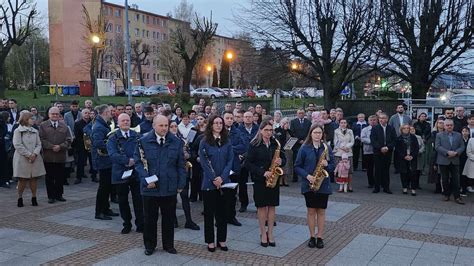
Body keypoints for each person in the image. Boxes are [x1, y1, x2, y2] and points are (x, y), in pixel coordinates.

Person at [134, 115, 187, 256]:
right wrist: (146, 179)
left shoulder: (176, 142)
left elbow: (181, 165)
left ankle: (168, 245)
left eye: (166, 126)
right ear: (154, 126)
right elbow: (139, 163)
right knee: (150, 219)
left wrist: (181, 183)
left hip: (169, 187)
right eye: (161, 126)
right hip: (150, 188)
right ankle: (150, 245)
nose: (164, 128)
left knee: (169, 218)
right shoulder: (143, 141)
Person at [245, 120, 286, 248]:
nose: (269, 133)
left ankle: (271, 233)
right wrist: (262, 172)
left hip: (273, 179)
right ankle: (263, 233)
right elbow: (248, 163)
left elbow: (284, 158)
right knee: (262, 207)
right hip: (260, 180)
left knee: (272, 206)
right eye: (266, 130)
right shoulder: (254, 144)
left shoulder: (276, 143)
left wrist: (281, 161)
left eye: (270, 130)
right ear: (261, 131)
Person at [295, 125, 335, 249]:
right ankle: (312, 236)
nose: (318, 135)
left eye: (320, 133)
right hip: (309, 184)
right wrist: (307, 176)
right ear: (310, 133)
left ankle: (320, 236)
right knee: (311, 211)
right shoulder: (304, 148)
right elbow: (297, 166)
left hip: (323, 184)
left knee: (321, 212)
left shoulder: (326, 147)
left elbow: (333, 165)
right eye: (315, 132)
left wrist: (327, 164)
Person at [199, 115, 233, 252]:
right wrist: (214, 178)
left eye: (221, 123)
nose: (219, 125)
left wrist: (222, 178)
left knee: (222, 214)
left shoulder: (227, 141)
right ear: (211, 125)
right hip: (209, 183)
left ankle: (221, 240)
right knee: (209, 214)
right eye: (216, 123)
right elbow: (204, 162)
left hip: (224, 183)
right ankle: (210, 241)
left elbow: (230, 161)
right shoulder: (204, 142)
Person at [107, 113, 144, 234]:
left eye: (127, 120)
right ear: (118, 123)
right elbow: (112, 154)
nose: (126, 122)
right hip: (120, 173)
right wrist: (127, 161)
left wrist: (135, 160)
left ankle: (140, 224)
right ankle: (126, 223)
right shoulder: (113, 138)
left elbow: (142, 151)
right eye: (123, 121)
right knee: (122, 200)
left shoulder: (137, 136)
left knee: (138, 200)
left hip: (136, 173)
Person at [168, 121, 200, 231]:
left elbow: (189, 152)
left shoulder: (182, 140)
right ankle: (173, 219)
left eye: (175, 126)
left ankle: (189, 220)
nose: (174, 128)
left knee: (185, 196)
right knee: (172, 198)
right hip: (171, 172)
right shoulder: (166, 141)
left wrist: (187, 155)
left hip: (182, 170)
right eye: (171, 126)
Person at [39, 107, 72, 203]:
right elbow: (41, 139)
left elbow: (69, 140)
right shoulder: (43, 125)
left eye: (56, 114)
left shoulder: (64, 126)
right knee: (49, 177)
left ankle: (59, 195)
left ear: (59, 115)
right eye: (53, 114)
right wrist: (52, 146)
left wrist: (60, 146)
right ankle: (51, 196)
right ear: (49, 115)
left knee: (60, 177)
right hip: (48, 156)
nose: (55, 116)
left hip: (60, 156)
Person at [92, 105, 119, 220]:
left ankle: (106, 209)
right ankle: (99, 212)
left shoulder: (103, 124)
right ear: (104, 113)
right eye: (109, 112)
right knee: (103, 187)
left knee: (107, 186)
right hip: (103, 160)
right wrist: (112, 146)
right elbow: (98, 143)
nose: (111, 114)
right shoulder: (99, 127)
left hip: (106, 160)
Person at [12, 111, 46, 207]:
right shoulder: (18, 131)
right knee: (22, 179)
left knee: (33, 179)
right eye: (32, 118)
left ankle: (34, 197)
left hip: (34, 158)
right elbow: (17, 145)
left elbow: (39, 144)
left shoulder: (35, 131)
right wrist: (28, 155)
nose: (33, 120)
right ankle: (20, 197)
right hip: (22, 158)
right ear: (26, 119)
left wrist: (35, 154)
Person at [223, 111, 246, 226]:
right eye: (227, 118)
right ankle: (221, 217)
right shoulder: (219, 132)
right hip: (222, 168)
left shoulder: (237, 132)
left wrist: (230, 148)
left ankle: (232, 217)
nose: (230, 120)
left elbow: (243, 146)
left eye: (231, 118)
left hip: (234, 166)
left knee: (232, 194)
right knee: (222, 194)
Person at [435, 119, 465, 204]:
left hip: (455, 160)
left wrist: (456, 152)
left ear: (453, 126)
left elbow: (462, 146)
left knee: (456, 179)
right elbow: (437, 147)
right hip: (444, 160)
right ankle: (446, 195)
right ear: (444, 126)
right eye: (447, 125)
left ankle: (457, 197)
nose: (449, 127)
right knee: (445, 179)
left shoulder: (458, 135)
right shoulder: (439, 135)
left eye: (451, 125)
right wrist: (447, 152)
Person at [238, 111, 259, 212]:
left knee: (256, 182)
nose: (248, 119)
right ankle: (243, 203)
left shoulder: (258, 129)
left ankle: (258, 203)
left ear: (253, 118)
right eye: (246, 117)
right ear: (243, 118)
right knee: (242, 182)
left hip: (255, 160)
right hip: (243, 160)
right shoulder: (238, 129)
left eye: (250, 117)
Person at [370, 113, 397, 194]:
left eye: (384, 118)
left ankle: (386, 187)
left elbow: (394, 140)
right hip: (378, 152)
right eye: (380, 118)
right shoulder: (375, 128)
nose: (382, 119)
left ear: (387, 119)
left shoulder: (391, 128)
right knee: (377, 169)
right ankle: (377, 187)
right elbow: (373, 140)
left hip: (388, 152)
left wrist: (388, 147)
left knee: (386, 170)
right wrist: (380, 147)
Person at [396, 124, 419, 196]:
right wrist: (404, 156)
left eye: (407, 128)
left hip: (412, 158)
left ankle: (413, 189)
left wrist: (412, 156)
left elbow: (416, 148)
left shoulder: (413, 137)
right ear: (401, 130)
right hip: (403, 158)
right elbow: (398, 150)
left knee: (413, 173)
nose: (406, 129)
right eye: (404, 128)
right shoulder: (399, 138)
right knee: (404, 173)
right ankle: (404, 187)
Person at [290, 109, 312, 182]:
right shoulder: (293, 122)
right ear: (297, 114)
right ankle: (295, 177)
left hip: (306, 144)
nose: (301, 114)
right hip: (296, 144)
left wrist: (305, 140)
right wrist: (299, 140)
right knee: (296, 160)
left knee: (306, 160)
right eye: (299, 113)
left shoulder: (308, 122)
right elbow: (292, 132)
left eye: (302, 113)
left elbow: (309, 132)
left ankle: (305, 176)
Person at [333, 119, 355, 192]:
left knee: (350, 170)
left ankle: (350, 185)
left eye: (344, 123)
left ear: (346, 124)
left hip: (348, 152)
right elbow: (335, 141)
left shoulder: (350, 131)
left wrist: (347, 147)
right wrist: (342, 147)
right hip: (339, 152)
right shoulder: (336, 131)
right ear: (339, 123)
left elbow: (352, 141)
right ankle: (341, 185)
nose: (343, 124)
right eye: (341, 123)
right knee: (340, 170)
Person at [73, 108, 90, 184]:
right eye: (85, 113)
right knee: (80, 161)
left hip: (91, 145)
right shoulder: (78, 123)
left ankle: (94, 176)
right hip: (81, 145)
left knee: (92, 161)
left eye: (88, 113)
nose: (87, 114)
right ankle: (78, 177)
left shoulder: (92, 123)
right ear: (82, 114)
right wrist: (85, 141)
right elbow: (77, 135)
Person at [427, 118, 445, 193]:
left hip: (444, 153)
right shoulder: (434, 133)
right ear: (436, 124)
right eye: (439, 122)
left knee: (443, 172)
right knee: (436, 171)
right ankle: (438, 188)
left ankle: (444, 188)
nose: (441, 124)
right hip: (435, 153)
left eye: (442, 123)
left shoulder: (446, 133)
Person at [360, 115, 377, 188]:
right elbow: (363, 139)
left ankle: (378, 182)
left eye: (374, 120)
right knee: (369, 168)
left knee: (378, 168)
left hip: (377, 151)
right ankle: (371, 183)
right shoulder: (365, 129)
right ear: (368, 121)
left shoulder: (379, 129)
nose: (373, 121)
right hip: (368, 151)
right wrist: (373, 142)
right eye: (371, 120)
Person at [274, 117, 292, 186]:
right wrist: (284, 130)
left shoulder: (289, 131)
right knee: (282, 164)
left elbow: (293, 137)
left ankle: (286, 179)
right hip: (281, 149)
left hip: (288, 150)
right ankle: (281, 179)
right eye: (285, 123)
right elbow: (279, 138)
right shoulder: (278, 130)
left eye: (288, 123)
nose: (287, 124)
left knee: (288, 165)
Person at [410, 126, 425, 190]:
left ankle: (417, 184)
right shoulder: (407, 137)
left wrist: (420, 151)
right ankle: (410, 184)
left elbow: (423, 146)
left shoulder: (419, 137)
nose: (412, 130)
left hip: (419, 156)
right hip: (410, 156)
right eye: (410, 129)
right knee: (411, 171)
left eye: (413, 129)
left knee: (418, 171)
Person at [459, 127, 470, 195]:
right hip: (460, 159)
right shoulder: (459, 140)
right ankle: (461, 187)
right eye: (463, 131)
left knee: (467, 174)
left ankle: (465, 187)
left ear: (468, 132)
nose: (464, 133)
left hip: (468, 159)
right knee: (461, 174)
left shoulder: (470, 140)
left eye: (466, 131)